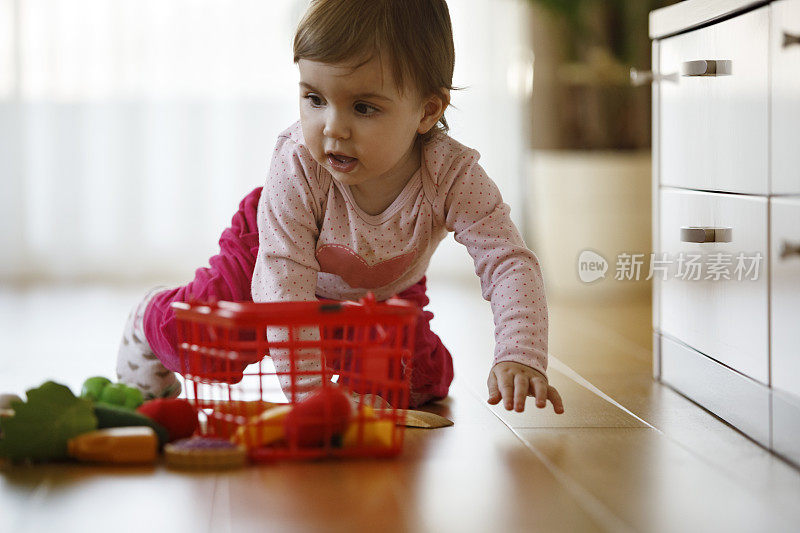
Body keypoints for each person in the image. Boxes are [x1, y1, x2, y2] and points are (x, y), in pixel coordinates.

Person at [116, 0, 564, 415]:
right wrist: (311, 401)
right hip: (270, 256)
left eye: (364, 107)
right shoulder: (298, 164)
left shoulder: (452, 175)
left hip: (383, 288)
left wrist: (520, 355)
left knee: (419, 378)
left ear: (427, 111)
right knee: (213, 344)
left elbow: (507, 261)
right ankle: (149, 319)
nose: (333, 128)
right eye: (314, 98)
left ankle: (357, 365)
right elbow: (284, 291)